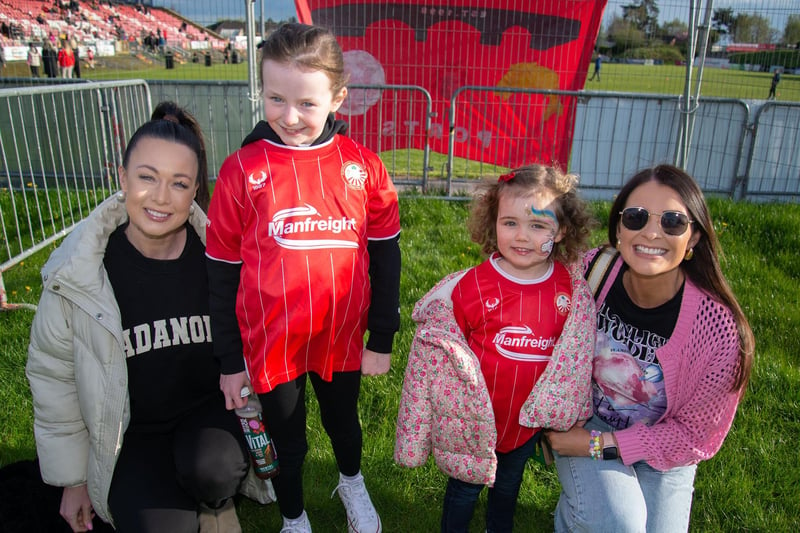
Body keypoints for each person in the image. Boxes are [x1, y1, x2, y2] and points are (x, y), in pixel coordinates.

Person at [205, 22, 401, 533]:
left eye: (308, 104)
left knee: (344, 423)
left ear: (338, 97)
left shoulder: (364, 168)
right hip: (273, 342)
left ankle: (351, 482)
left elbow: (386, 257)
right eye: (275, 98)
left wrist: (381, 336)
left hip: (340, 337)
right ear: (262, 90)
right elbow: (222, 273)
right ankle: (294, 518)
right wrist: (230, 359)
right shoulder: (240, 171)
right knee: (288, 440)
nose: (289, 117)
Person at [26, 102, 249, 533]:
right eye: (147, 177)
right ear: (123, 179)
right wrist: (73, 481)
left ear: (194, 191)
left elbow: (253, 349)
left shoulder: (221, 263)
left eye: (179, 183)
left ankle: (214, 498)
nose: (162, 197)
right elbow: (55, 381)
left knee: (215, 471)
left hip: (205, 418)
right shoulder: (77, 276)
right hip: (125, 436)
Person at [546, 164, 755, 533]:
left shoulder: (720, 330)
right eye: (636, 217)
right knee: (620, 524)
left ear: (692, 238)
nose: (651, 232)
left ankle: (588, 503)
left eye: (673, 221)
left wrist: (597, 447)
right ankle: (579, 513)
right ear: (619, 228)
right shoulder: (588, 272)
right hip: (586, 421)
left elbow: (693, 436)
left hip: (665, 448)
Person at [395, 165, 597, 532]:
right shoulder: (472, 287)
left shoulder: (569, 290)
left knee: (507, 488)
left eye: (538, 226)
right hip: (472, 423)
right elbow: (436, 357)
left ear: (562, 229)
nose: (522, 237)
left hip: (524, 425)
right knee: (463, 491)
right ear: (493, 223)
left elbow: (577, 357)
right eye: (510, 223)